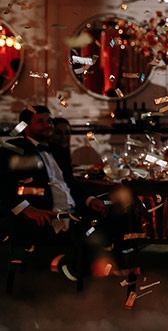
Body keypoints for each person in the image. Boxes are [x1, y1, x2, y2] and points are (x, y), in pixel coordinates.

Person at [0, 106, 108, 276]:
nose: (48, 125)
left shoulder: (57, 151)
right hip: (43, 217)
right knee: (91, 238)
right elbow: (4, 185)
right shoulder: (14, 149)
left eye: (49, 121)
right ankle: (67, 271)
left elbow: (70, 184)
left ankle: (94, 277)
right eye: (40, 121)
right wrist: (28, 209)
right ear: (26, 126)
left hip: (72, 214)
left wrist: (90, 199)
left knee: (114, 215)